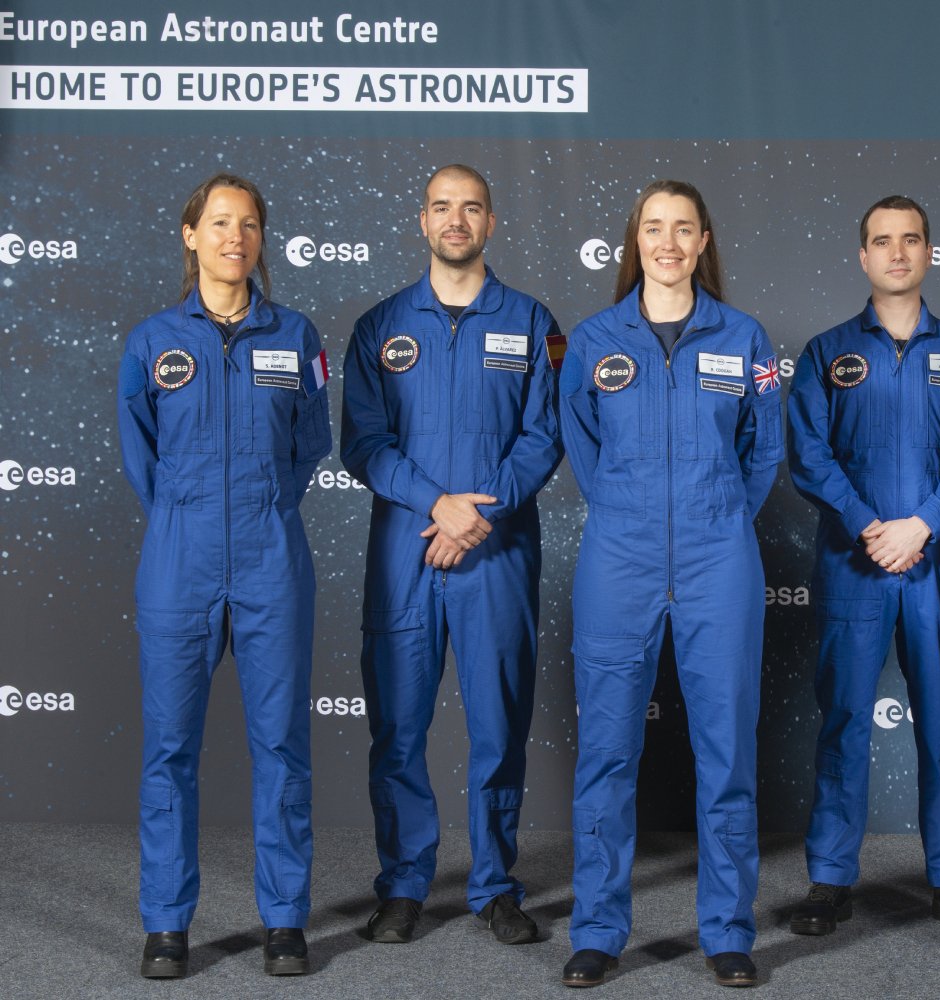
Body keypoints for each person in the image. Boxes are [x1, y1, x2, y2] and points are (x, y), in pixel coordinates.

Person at [558, 179, 784, 988]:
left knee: (725, 753)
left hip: (718, 554)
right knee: (607, 754)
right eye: (653, 228)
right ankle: (597, 930)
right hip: (619, 555)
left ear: (702, 242)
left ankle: (727, 930)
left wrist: (719, 516)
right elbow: (581, 445)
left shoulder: (743, 336)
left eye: (682, 228)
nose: (667, 242)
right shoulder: (593, 339)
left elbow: (764, 449)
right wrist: (627, 509)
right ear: (636, 242)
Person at [341, 164, 564, 946]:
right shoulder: (379, 327)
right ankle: (403, 886)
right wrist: (438, 505)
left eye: (472, 207)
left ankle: (495, 885)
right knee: (398, 728)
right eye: (442, 207)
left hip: (496, 552)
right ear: (422, 221)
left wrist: (478, 511)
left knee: (498, 727)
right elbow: (362, 443)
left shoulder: (533, 323)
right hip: (407, 549)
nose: (457, 220)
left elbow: (545, 436)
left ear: (492, 222)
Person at [118, 173, 332, 978]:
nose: (233, 237)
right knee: (170, 747)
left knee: (281, 742)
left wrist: (265, 504)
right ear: (190, 235)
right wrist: (184, 512)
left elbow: (311, 442)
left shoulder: (296, 335)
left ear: (260, 241)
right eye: (218, 223)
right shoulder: (151, 341)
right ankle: (167, 923)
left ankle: (284, 919)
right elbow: (141, 451)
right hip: (180, 557)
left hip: (272, 555)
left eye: (247, 225)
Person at [785, 195, 940, 939]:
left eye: (911, 239)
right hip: (857, 561)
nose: (898, 253)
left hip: (935, 564)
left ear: (930, 252)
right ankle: (830, 879)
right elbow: (809, 454)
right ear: (863, 257)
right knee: (844, 720)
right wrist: (869, 526)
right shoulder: (825, 353)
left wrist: (925, 524)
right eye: (882, 241)